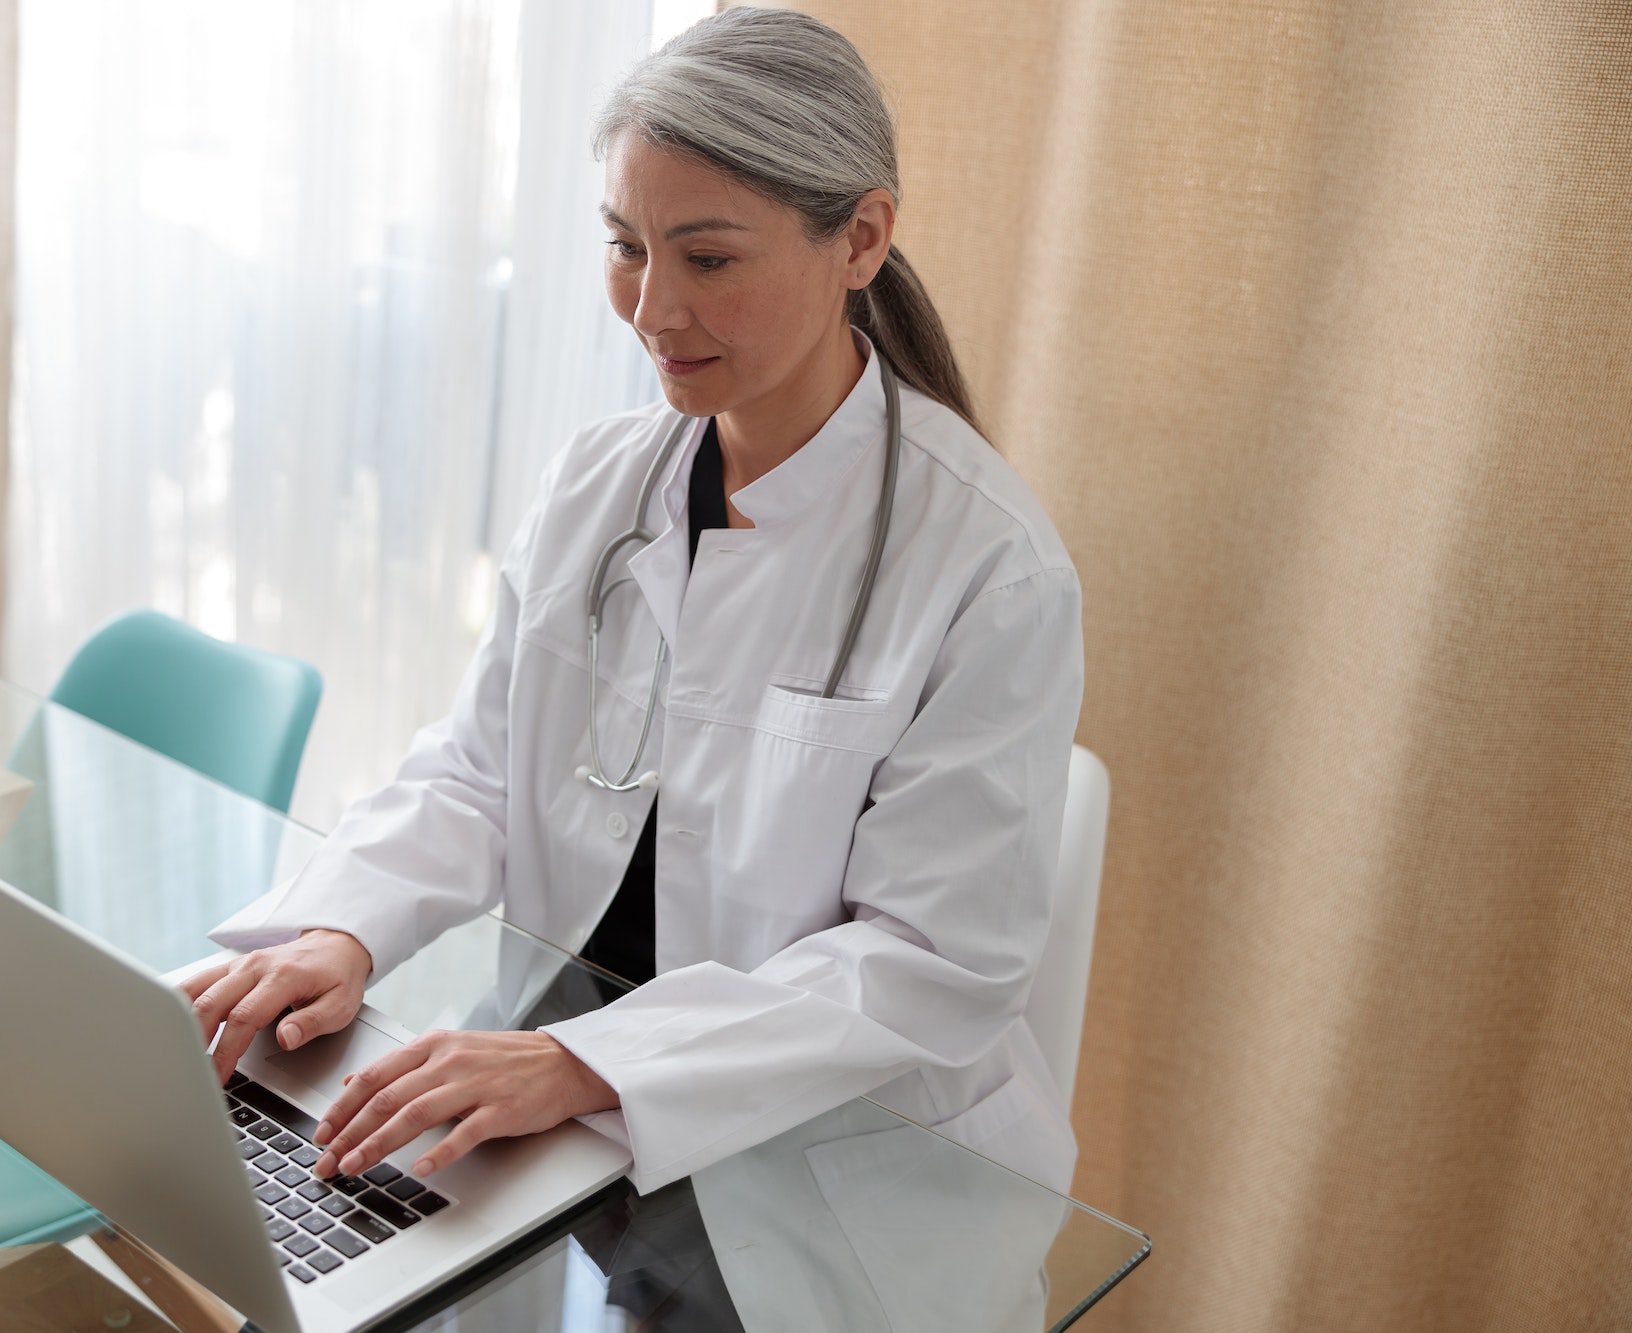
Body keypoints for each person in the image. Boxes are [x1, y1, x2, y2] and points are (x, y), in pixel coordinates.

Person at [181, 6, 1085, 1201]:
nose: (653, 309)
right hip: (560, 1121)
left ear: (860, 237)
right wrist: (339, 930)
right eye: (624, 245)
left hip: (833, 1183)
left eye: (707, 259)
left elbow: (923, 962)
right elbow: (478, 774)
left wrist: (580, 1060)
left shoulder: (987, 568)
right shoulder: (599, 481)